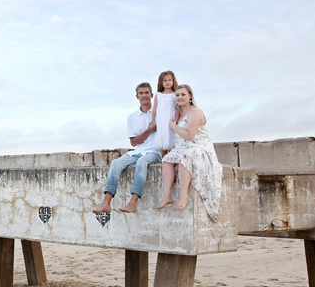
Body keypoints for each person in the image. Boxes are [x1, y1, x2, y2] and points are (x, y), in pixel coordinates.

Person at [156, 84, 223, 221]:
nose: (180, 97)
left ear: (190, 96)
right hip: (183, 147)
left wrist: (174, 126)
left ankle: (183, 196)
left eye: (183, 94)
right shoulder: (179, 112)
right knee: (167, 159)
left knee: (184, 158)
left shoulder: (195, 112)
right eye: (177, 95)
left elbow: (190, 136)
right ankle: (167, 196)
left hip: (199, 147)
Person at [93, 82, 161, 214]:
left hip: (154, 151)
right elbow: (133, 142)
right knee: (116, 163)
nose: (144, 95)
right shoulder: (132, 117)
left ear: (152, 95)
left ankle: (133, 202)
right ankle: (106, 202)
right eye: (141, 93)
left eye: (147, 93)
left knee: (142, 162)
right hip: (139, 151)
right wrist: (148, 131)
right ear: (137, 96)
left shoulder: (159, 113)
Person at [152, 70, 179, 155]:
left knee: (171, 139)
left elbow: (178, 109)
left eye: (169, 80)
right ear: (161, 82)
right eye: (165, 80)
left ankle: (172, 159)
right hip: (161, 122)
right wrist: (153, 122)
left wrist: (176, 120)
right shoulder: (158, 95)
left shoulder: (175, 94)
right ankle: (163, 159)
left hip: (171, 120)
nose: (167, 82)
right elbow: (154, 109)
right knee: (162, 140)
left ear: (173, 81)